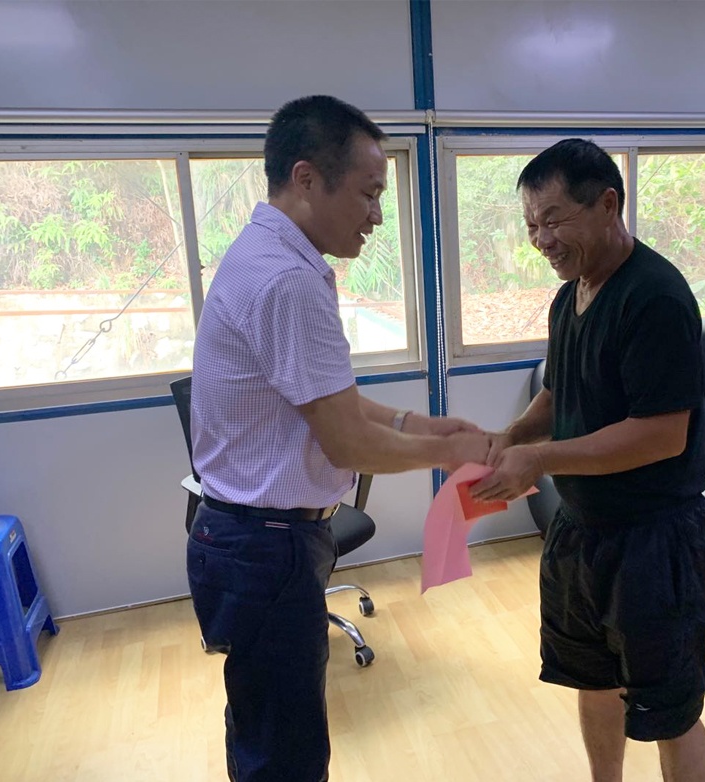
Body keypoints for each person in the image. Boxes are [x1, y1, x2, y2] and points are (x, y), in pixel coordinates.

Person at [187, 95, 489, 782]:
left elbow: (324, 401)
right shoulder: (289, 281)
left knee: (266, 729)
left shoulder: (261, 254)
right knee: (286, 755)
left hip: (248, 540)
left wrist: (413, 425)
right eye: (368, 193)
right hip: (268, 546)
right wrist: (454, 451)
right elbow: (348, 445)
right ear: (306, 179)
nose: (377, 216)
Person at [471, 139, 705, 782]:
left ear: (608, 204)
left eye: (553, 219)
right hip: (581, 533)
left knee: (668, 708)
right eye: (531, 225)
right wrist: (514, 435)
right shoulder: (569, 297)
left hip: (652, 541)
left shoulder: (655, 297)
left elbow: (661, 434)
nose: (541, 240)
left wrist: (539, 458)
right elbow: (561, 390)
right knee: (593, 677)